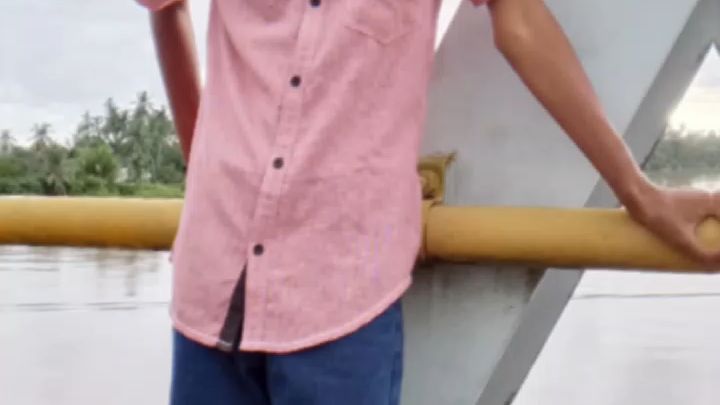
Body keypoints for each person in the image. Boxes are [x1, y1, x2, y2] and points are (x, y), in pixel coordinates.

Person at [136, 0, 720, 403]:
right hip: (212, 282)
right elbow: (166, 9)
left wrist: (638, 193)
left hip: (342, 295)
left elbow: (521, 24)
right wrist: (203, 163)